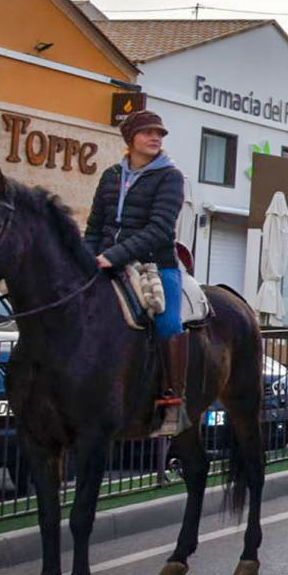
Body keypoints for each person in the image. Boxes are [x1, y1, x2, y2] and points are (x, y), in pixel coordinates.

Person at [84, 110, 189, 436]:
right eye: (147, 132)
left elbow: (160, 229)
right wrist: (86, 258)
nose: (155, 137)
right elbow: (94, 227)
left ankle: (174, 402)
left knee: (168, 321)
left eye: (159, 133)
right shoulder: (111, 175)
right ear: (130, 139)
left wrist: (113, 256)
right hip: (105, 261)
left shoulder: (170, 177)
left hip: (154, 264)